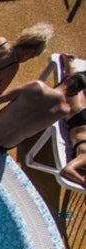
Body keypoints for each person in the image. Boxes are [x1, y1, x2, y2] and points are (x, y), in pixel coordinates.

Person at [0, 72, 86, 153]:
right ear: (74, 94)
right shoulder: (64, 111)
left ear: (66, 77)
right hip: (3, 147)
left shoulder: (37, 86)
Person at [59, 54, 86, 189]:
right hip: (81, 119)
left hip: (79, 120)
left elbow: (67, 170)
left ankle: (71, 64)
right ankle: (71, 64)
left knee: (75, 89)